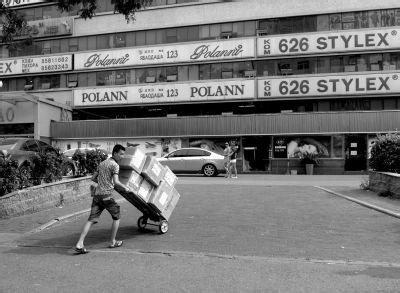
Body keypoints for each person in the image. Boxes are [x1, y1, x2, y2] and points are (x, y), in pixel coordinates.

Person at [74, 144, 130, 254]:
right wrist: (126, 188)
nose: (122, 156)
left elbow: (93, 178)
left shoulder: (102, 163)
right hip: (107, 196)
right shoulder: (115, 165)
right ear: (115, 153)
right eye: (121, 154)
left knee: (91, 220)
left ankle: (80, 243)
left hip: (97, 196)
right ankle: (113, 241)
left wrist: (94, 189)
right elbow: (116, 182)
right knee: (117, 216)